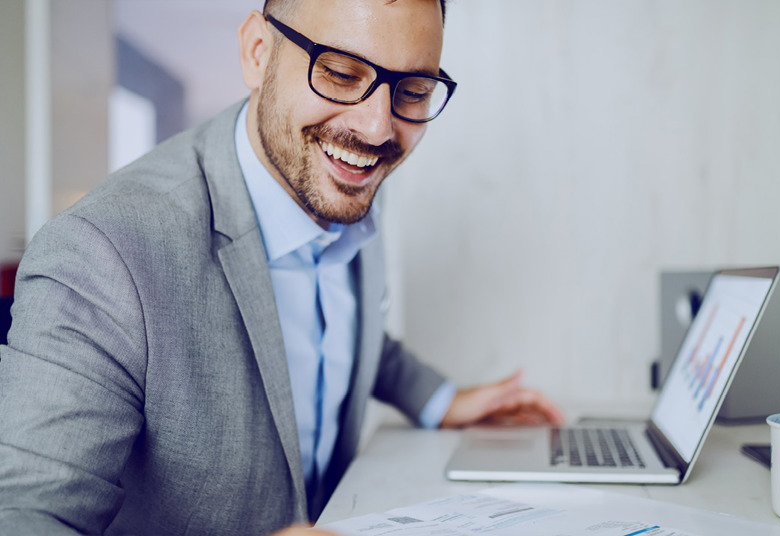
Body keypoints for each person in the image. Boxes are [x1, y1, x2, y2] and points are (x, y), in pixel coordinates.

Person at [0, 1, 564, 535]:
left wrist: (441, 400)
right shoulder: (102, 253)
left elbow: (347, 327)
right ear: (257, 52)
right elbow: (24, 517)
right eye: (341, 74)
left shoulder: (344, 174)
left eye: (413, 90)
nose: (377, 129)